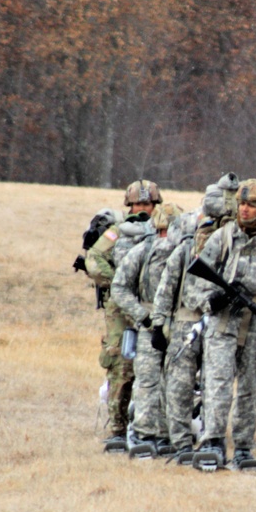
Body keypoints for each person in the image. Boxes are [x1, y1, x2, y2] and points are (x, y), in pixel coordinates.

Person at [194, 179, 256, 468]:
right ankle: (213, 440)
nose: (246, 210)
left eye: (252, 205)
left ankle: (242, 447)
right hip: (222, 322)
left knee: (249, 386)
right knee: (218, 382)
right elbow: (196, 281)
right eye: (242, 204)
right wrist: (212, 300)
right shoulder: (221, 237)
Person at [85, 179, 161, 449]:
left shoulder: (161, 231)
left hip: (153, 306)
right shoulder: (116, 233)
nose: (143, 208)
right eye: (138, 203)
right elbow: (93, 260)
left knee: (155, 366)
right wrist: (119, 280)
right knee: (121, 366)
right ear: (129, 205)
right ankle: (118, 427)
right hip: (120, 308)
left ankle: (151, 426)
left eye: (148, 204)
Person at [110, 203, 183, 457]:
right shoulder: (141, 251)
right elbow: (119, 288)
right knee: (147, 379)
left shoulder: (186, 254)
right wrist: (143, 316)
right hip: (149, 325)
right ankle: (142, 433)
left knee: (174, 382)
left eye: (170, 230)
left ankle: (167, 435)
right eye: (163, 230)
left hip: (178, 325)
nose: (166, 236)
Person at [149, 211, 205, 463]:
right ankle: (181, 442)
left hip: (216, 326)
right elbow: (165, 289)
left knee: (214, 388)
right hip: (184, 324)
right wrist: (158, 325)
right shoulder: (182, 252)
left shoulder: (224, 247)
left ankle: (210, 440)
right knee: (179, 387)